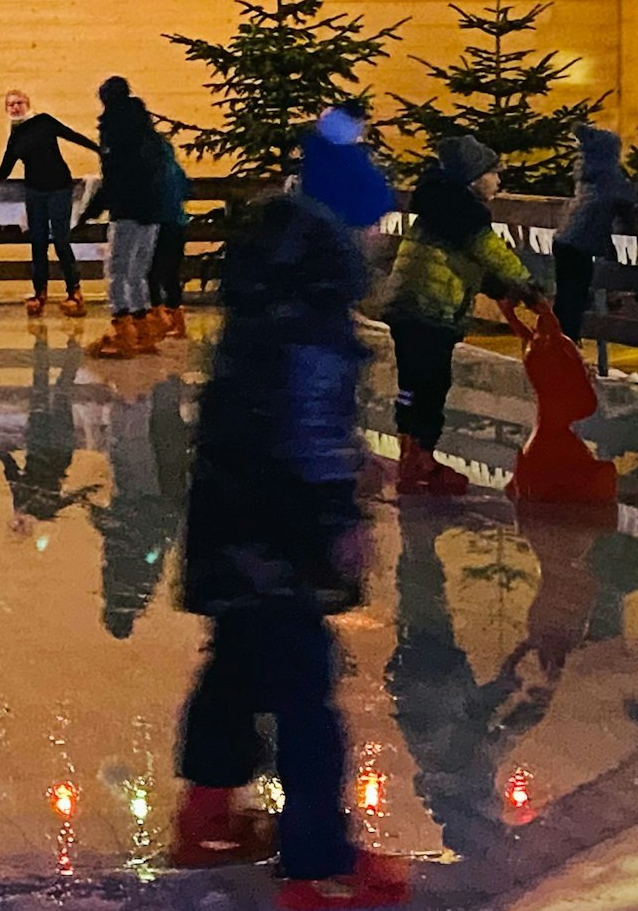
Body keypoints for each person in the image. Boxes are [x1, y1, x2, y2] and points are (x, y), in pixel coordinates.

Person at [173, 134, 407, 909]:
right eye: (374, 223)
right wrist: (339, 514)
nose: (379, 240)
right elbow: (304, 433)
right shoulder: (314, 321)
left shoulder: (266, 301)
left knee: (236, 664)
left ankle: (205, 814)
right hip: (278, 535)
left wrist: (347, 459)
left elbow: (256, 415)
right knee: (309, 694)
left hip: (230, 522)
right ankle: (317, 863)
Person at [382, 135, 539, 496]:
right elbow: (490, 251)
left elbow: (462, 263)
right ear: (473, 179)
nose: (499, 180)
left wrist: (500, 292)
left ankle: (410, 453)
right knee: (433, 384)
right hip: (430, 310)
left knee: (411, 384)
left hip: (406, 307)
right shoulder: (465, 215)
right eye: (493, 173)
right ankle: (421, 456)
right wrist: (526, 286)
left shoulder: (440, 211)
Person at [79, 77, 166, 358]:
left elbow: (113, 176)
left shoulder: (114, 130)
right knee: (139, 270)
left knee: (117, 270)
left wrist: (90, 211)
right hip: (152, 208)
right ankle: (145, 330)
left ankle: (123, 332)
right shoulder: (148, 131)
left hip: (127, 208)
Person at [0, 90, 96, 317]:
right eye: (10, 105)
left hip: (59, 187)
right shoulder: (15, 137)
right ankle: (40, 293)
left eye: (18, 103)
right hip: (35, 191)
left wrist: (100, 150)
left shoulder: (44, 122)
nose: (15, 107)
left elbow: (72, 135)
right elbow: (4, 170)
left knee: (60, 240)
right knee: (37, 243)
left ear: (27, 104)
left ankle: (74, 291)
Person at [552, 124, 634, 342]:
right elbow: (629, 198)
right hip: (580, 244)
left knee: (566, 293)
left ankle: (560, 337)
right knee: (575, 295)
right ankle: (567, 340)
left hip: (564, 239)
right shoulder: (609, 178)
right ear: (609, 153)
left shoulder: (588, 173)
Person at [146, 133, 192, 339]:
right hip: (178, 224)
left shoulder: (152, 172)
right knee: (171, 273)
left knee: (152, 272)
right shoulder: (175, 169)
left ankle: (158, 319)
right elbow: (186, 190)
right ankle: (177, 320)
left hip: (159, 224)